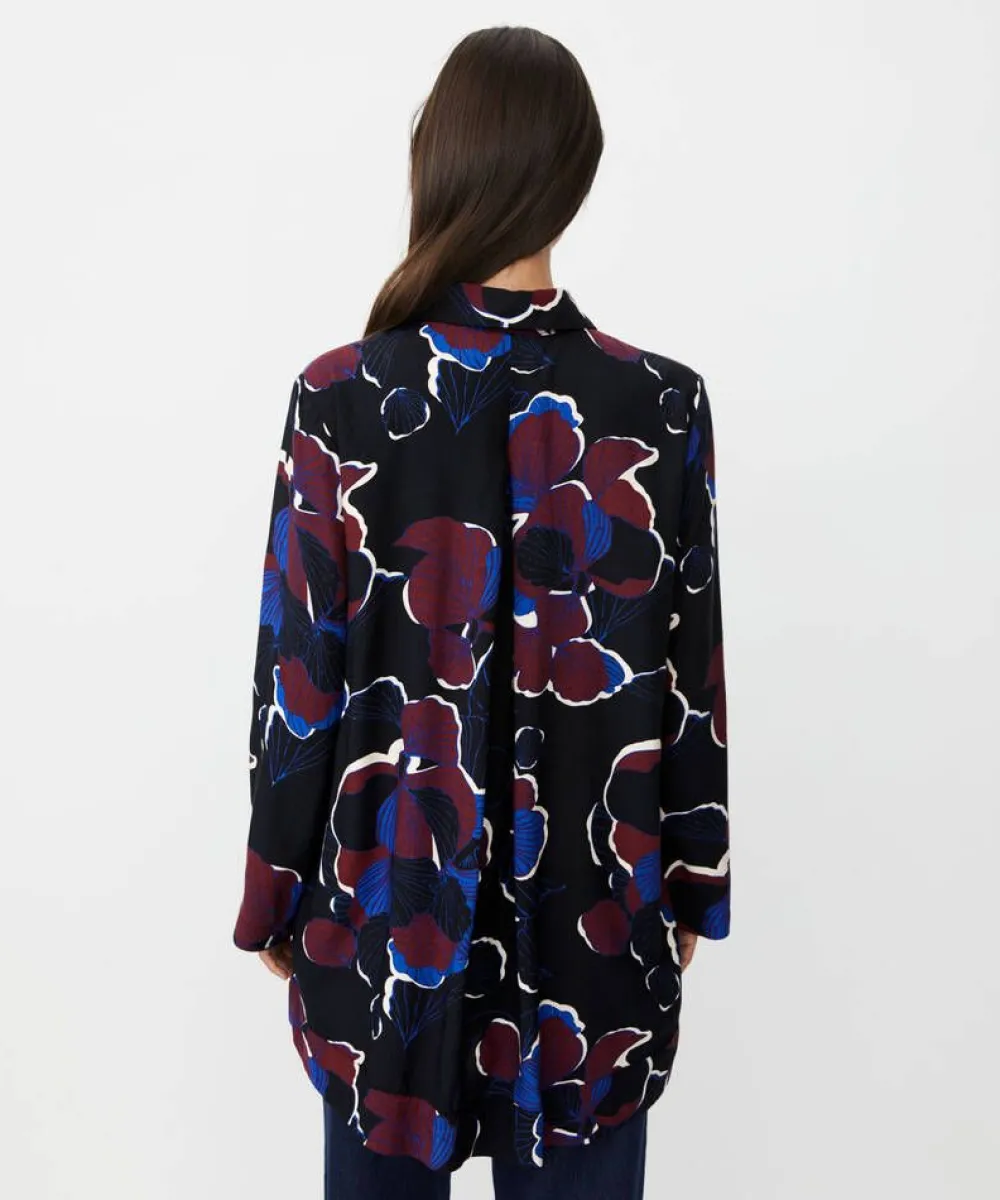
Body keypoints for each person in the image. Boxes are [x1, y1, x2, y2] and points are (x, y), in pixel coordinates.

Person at [231, 23, 730, 1200]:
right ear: (576, 168)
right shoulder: (659, 404)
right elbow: (690, 681)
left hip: (383, 931)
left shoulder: (342, 399)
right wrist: (691, 880)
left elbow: (296, 686)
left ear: (439, 161)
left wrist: (275, 898)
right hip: (597, 929)